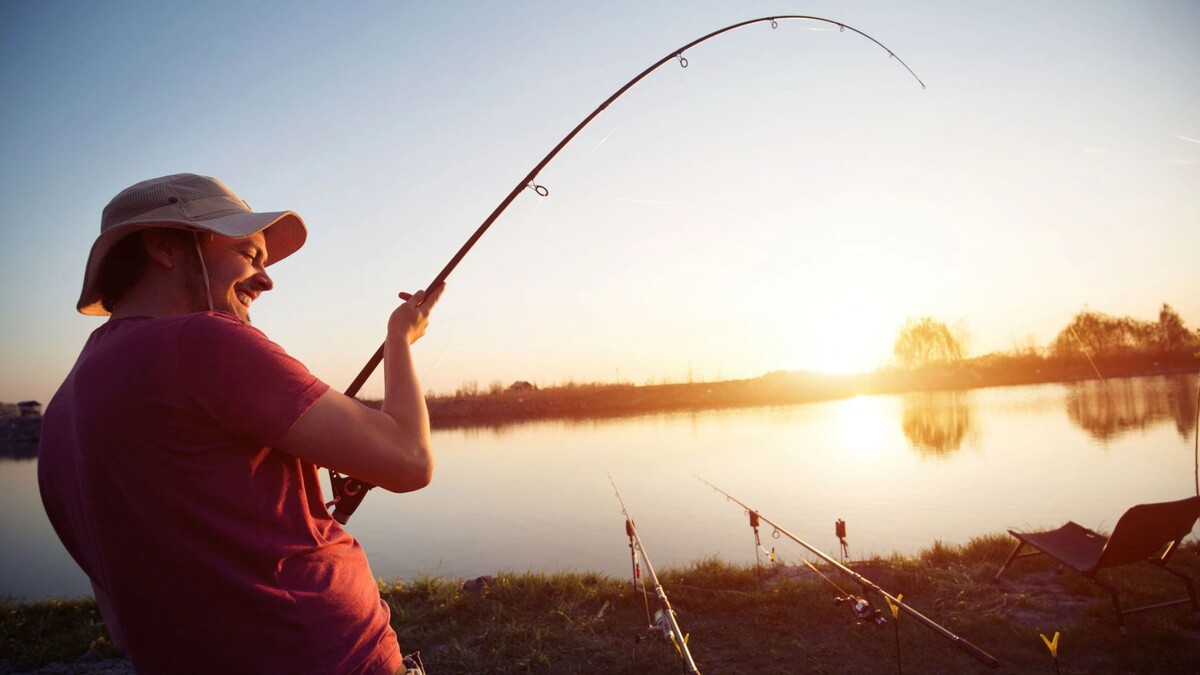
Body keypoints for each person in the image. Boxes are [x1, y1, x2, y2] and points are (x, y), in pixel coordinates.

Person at [38, 173, 441, 674]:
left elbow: (120, 618)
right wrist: (400, 338)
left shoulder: (64, 410)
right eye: (249, 254)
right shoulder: (203, 342)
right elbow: (409, 461)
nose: (266, 279)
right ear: (165, 245)